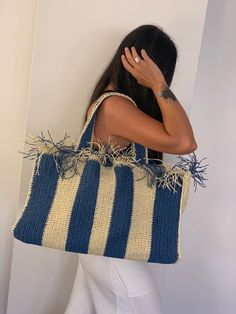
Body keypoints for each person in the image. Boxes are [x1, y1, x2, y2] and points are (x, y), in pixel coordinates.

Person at [64, 24, 197, 314]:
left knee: (81, 307)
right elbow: (185, 141)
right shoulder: (115, 106)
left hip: (98, 237)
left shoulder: (111, 102)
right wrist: (159, 85)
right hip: (110, 247)